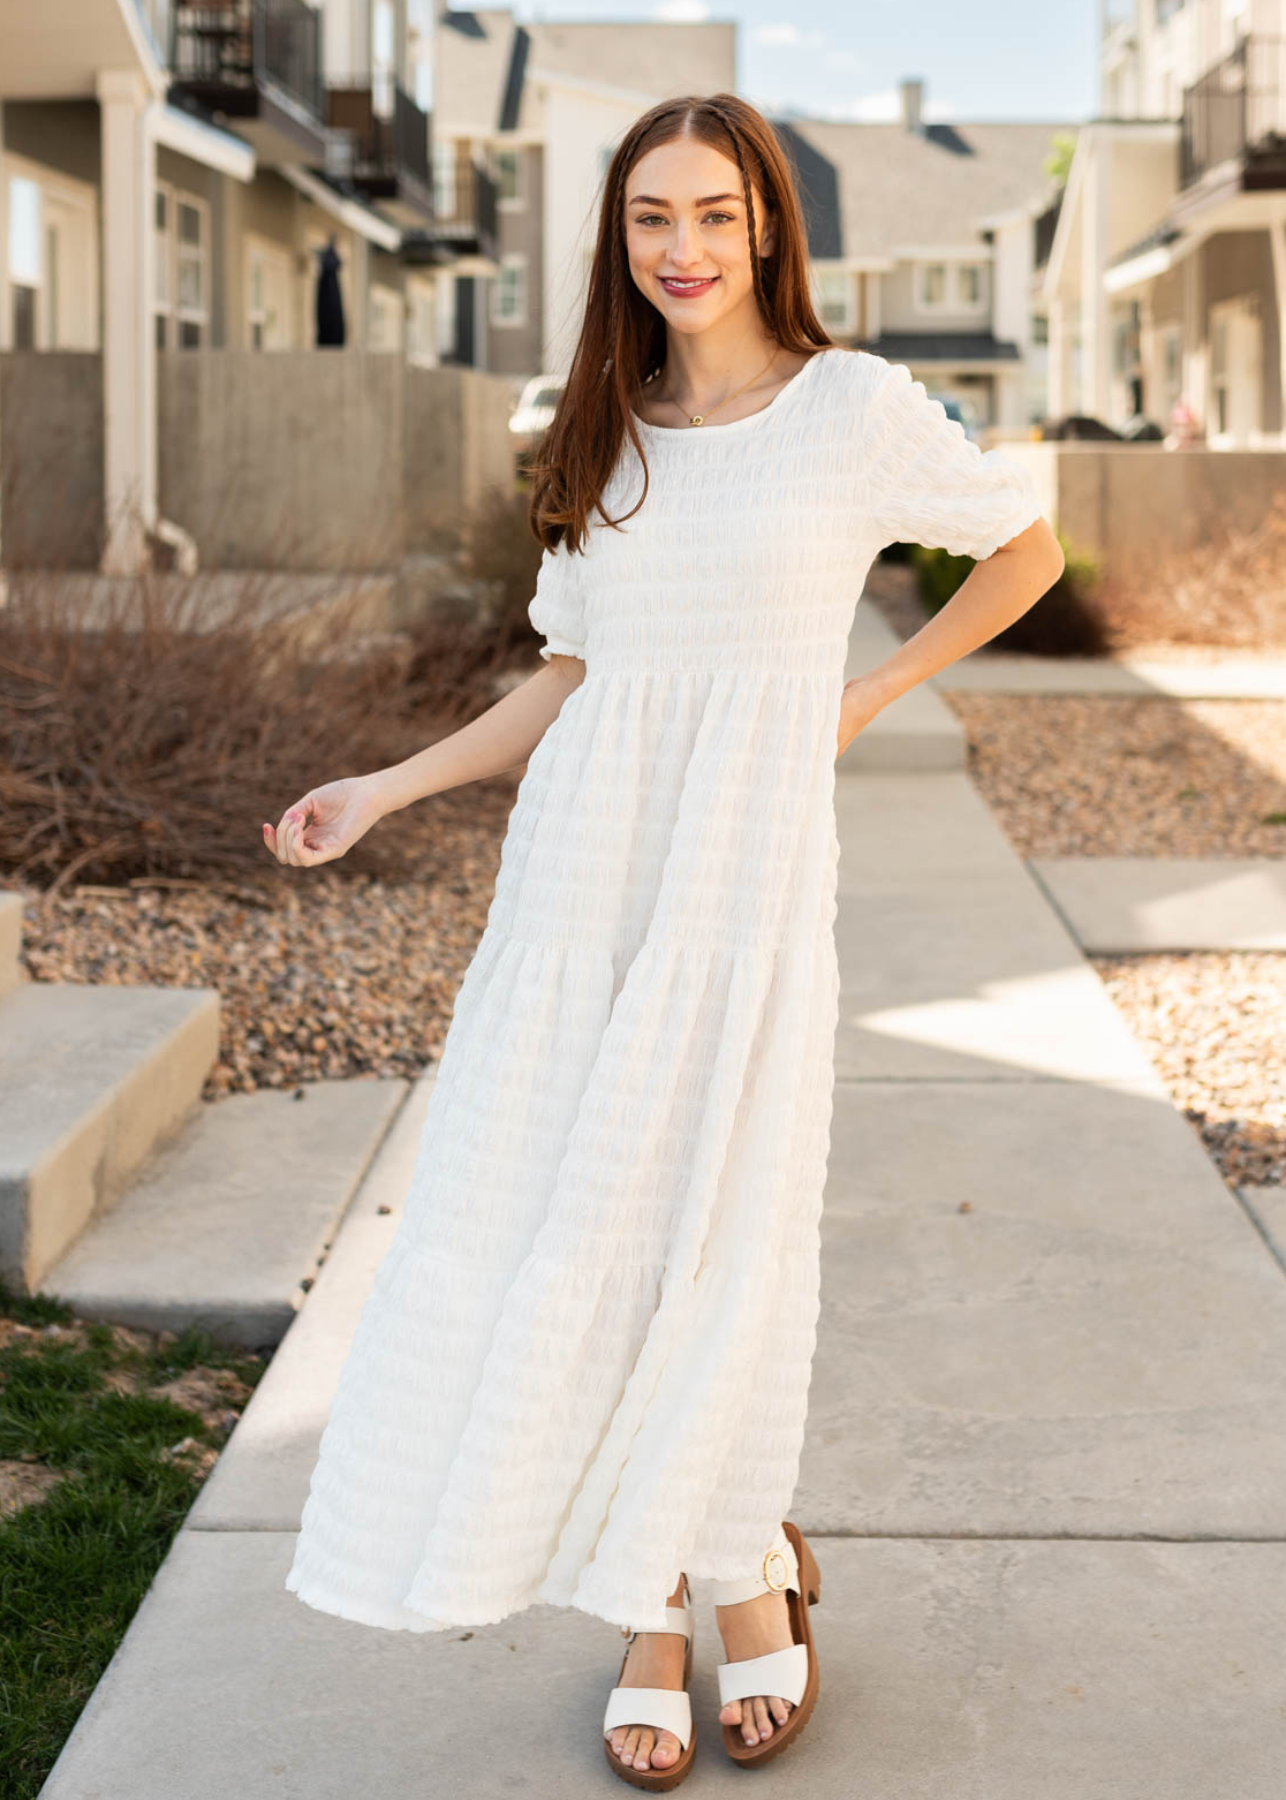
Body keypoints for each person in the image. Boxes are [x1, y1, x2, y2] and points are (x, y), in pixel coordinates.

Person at [265, 91, 1063, 1787]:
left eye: (711, 212)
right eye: (649, 220)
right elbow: (572, 673)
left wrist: (864, 696)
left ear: (765, 222)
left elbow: (1024, 547)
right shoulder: (604, 429)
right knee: (581, 1224)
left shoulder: (849, 409)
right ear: (617, 241)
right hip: (580, 888)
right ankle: (665, 1605)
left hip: (740, 886)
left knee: (717, 1231)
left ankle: (740, 1567)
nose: (682, 248)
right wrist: (386, 788)